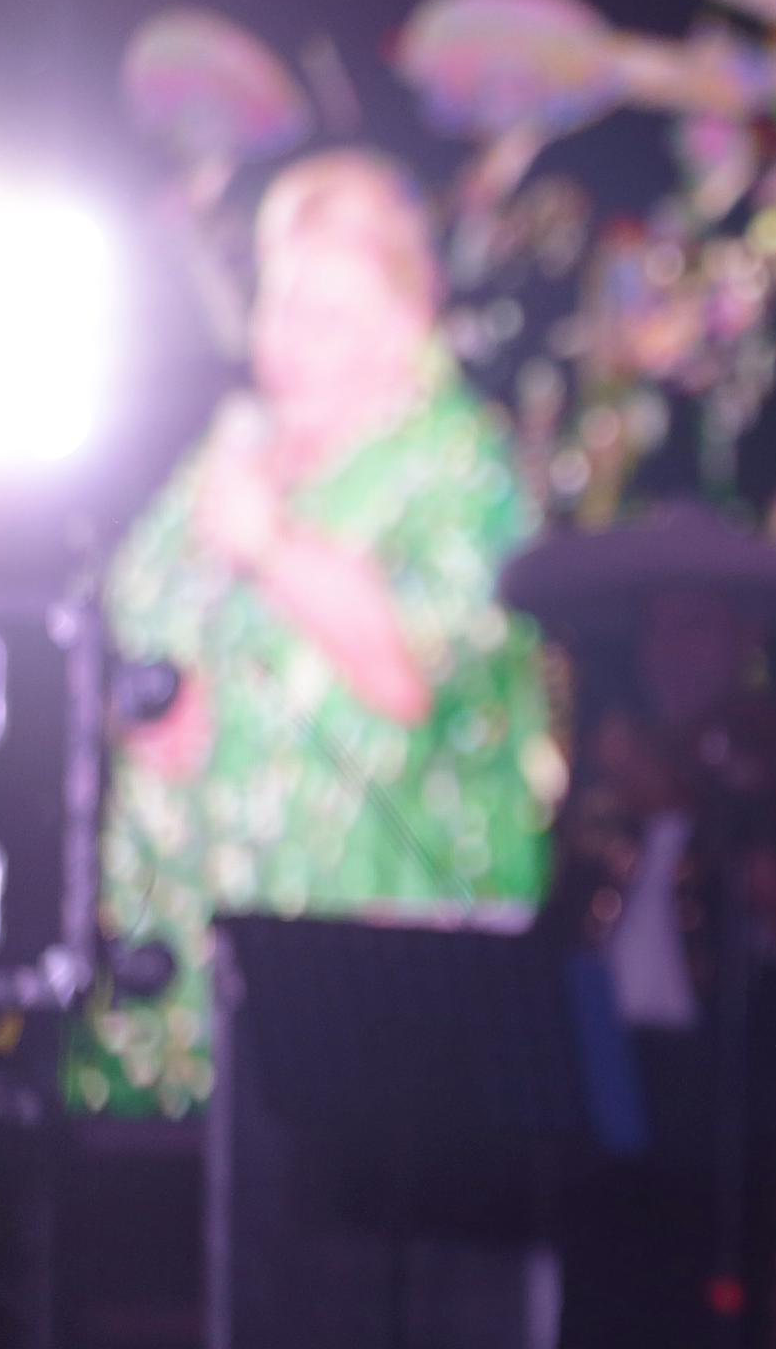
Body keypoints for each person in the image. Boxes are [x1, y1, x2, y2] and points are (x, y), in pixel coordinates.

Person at [65, 149, 560, 1119]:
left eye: (325, 314)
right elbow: (114, 634)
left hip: (364, 996)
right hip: (173, 990)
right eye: (278, 303)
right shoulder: (233, 450)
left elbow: (417, 666)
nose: (286, 339)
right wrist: (147, 712)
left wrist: (273, 545)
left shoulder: (456, 465)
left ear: (406, 325)